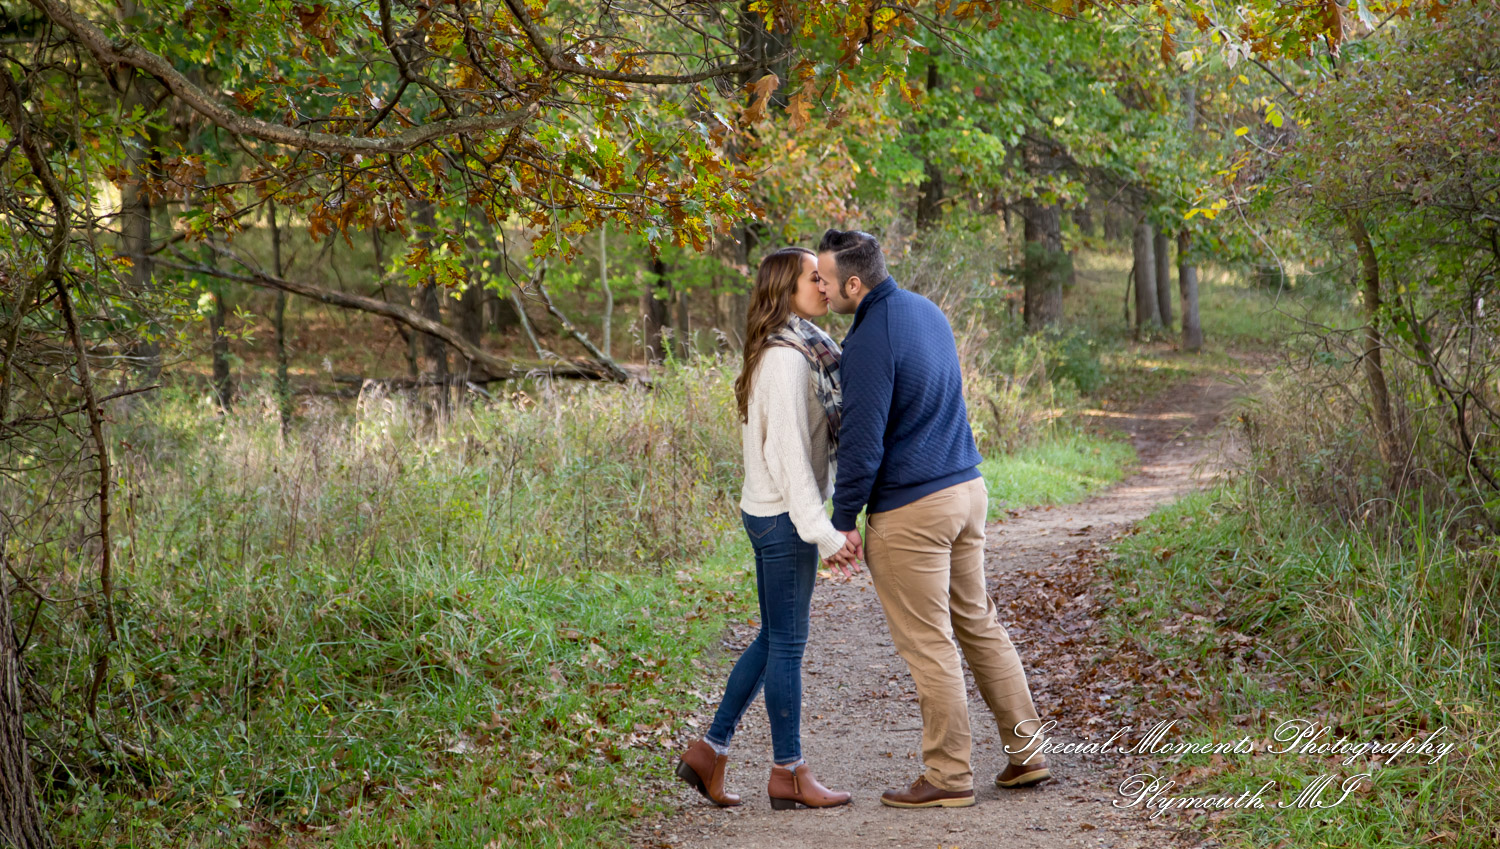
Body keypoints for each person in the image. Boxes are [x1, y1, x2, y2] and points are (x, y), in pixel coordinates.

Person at [817, 228, 1051, 809]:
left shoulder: (870, 337)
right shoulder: (927, 312)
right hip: (967, 490)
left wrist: (844, 517)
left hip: (915, 507)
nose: (819, 288)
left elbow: (864, 442)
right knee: (978, 623)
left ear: (854, 282)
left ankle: (948, 776)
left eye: (824, 278)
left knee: (929, 644)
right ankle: (1028, 754)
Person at [675, 247, 858, 811]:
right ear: (786, 289)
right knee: (788, 644)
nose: (824, 286)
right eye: (813, 279)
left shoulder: (797, 343)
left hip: (770, 513)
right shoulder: (785, 359)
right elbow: (786, 455)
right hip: (782, 517)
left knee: (774, 636)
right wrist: (823, 533)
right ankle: (789, 771)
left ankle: (710, 750)